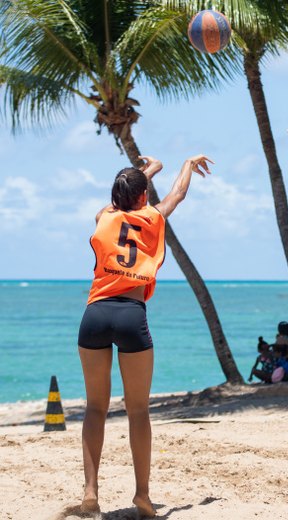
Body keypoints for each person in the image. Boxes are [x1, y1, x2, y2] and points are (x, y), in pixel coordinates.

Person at [76, 154, 211, 516]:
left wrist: (145, 173)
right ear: (142, 196)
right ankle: (142, 495)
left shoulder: (103, 217)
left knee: (94, 408)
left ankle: (91, 492)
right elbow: (177, 195)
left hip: (95, 314)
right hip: (130, 315)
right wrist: (185, 164)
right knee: (137, 410)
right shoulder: (152, 217)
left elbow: (119, 201)